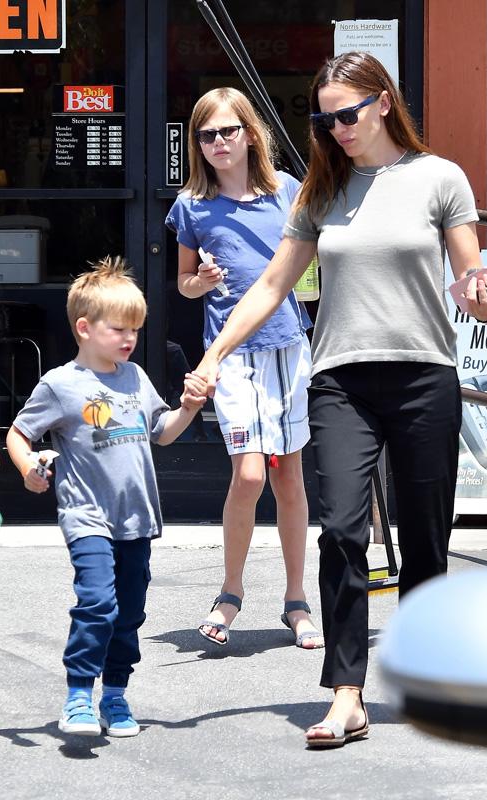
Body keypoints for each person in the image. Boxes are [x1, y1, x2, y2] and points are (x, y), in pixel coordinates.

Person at [189, 52, 487, 747]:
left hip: (423, 374)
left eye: (346, 115)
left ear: (382, 103)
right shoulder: (319, 192)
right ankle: (346, 693)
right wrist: (213, 357)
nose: (334, 129)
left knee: (424, 538)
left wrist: (483, 291)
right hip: (339, 380)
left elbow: (473, 278)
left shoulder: (437, 178)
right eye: (322, 118)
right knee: (340, 530)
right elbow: (270, 287)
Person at [6, 256, 206, 738]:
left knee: (130, 611)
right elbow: (18, 434)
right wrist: (29, 468)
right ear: (84, 327)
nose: (129, 339)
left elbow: (161, 433)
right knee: (97, 603)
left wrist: (189, 407)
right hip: (86, 514)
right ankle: (78, 694)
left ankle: (115, 694)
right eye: (119, 329)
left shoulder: (135, 377)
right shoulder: (60, 384)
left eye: (134, 330)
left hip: (137, 518)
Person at [165, 87, 323, 650]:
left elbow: (315, 258)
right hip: (229, 356)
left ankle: (297, 600)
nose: (218, 143)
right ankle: (230, 593)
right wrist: (198, 283)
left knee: (289, 476)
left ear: (250, 133)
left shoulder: (289, 192)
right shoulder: (190, 205)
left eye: (228, 131)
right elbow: (183, 285)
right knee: (250, 475)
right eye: (206, 135)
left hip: (287, 346)